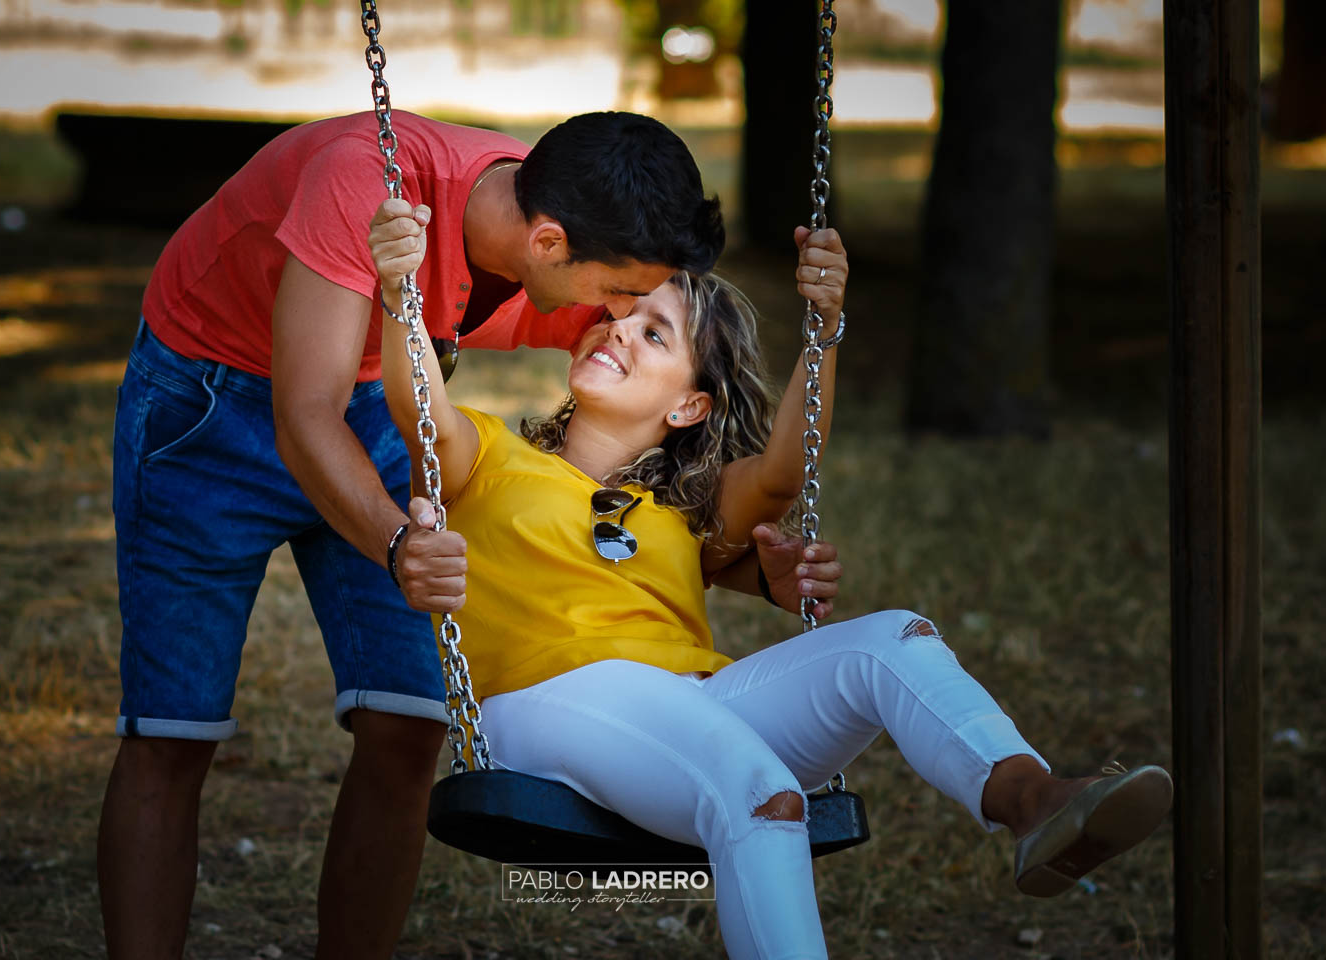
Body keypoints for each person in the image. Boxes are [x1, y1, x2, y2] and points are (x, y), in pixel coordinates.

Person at [98, 109, 831, 960]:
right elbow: (305, 418)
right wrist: (396, 543)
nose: (627, 315)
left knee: (410, 724)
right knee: (172, 733)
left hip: (374, 397)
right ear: (549, 245)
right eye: (622, 293)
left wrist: (744, 568)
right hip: (207, 405)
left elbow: (630, 454)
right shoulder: (365, 183)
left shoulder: (565, 232)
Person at [369, 197, 1176, 960]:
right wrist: (401, 287)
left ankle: (1032, 802)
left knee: (892, 639)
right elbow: (419, 406)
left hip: (684, 709)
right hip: (542, 707)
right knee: (760, 792)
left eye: (654, 335)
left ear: (688, 406)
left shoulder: (682, 513)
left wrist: (822, 328)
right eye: (619, 316)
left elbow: (785, 471)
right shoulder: (489, 457)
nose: (618, 333)